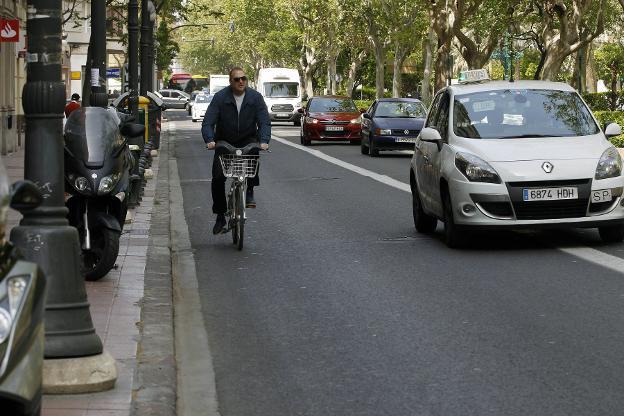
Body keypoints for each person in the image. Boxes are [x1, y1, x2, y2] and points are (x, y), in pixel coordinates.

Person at [201, 67, 271, 235]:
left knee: (254, 151)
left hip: (247, 138)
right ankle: (219, 216)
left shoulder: (255, 97)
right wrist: (210, 140)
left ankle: (250, 191)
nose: (241, 82)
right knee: (218, 178)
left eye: (244, 79)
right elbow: (208, 122)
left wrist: (263, 141)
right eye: (237, 79)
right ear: (230, 81)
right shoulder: (220, 98)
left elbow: (264, 122)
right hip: (224, 141)